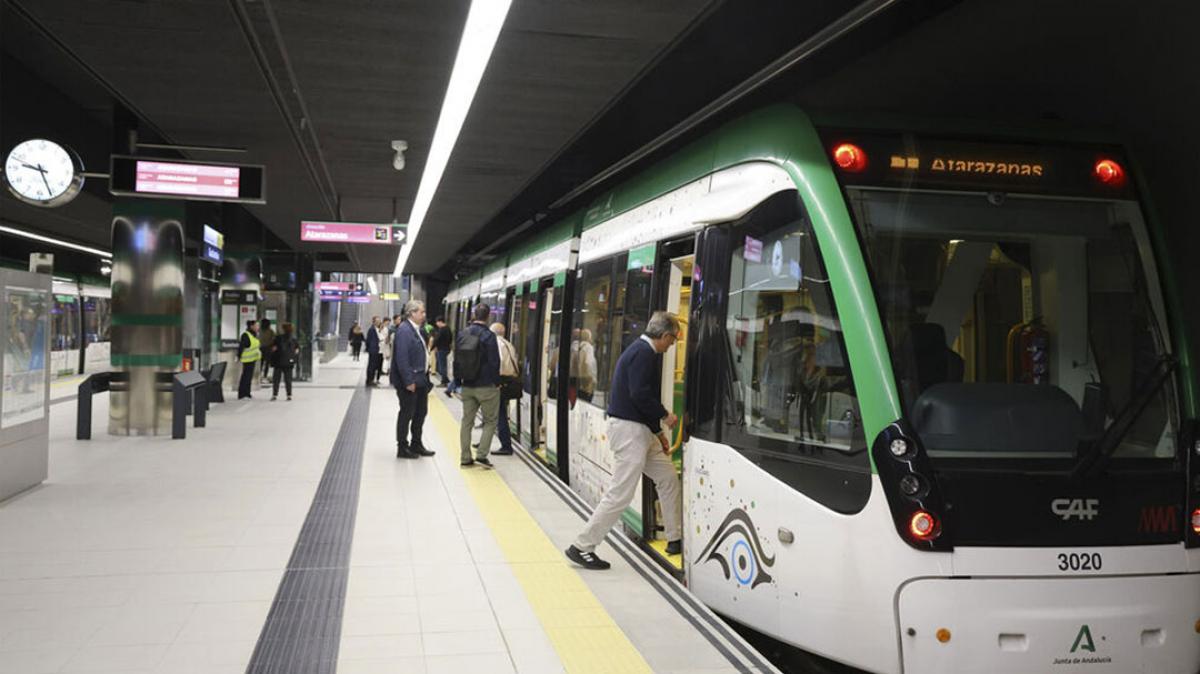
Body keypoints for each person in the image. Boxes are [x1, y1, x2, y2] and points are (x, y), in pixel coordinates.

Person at [565, 311, 683, 570]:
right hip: (630, 431)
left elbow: (639, 398)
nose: (671, 345)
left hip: (640, 429)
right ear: (663, 336)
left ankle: (674, 538)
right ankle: (582, 547)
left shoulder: (641, 351)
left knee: (667, 478)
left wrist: (659, 433)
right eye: (672, 340)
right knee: (620, 493)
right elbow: (640, 394)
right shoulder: (644, 353)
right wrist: (665, 417)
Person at [457, 304, 501, 467]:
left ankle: (465, 457)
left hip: (467, 385)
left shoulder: (463, 333)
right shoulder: (489, 336)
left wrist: (457, 381)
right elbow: (494, 362)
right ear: (488, 316)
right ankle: (482, 455)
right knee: (490, 421)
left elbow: (457, 359)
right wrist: (497, 383)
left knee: (467, 422)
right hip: (486, 386)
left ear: (474, 315)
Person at [391, 300, 435, 459]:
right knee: (407, 413)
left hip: (420, 379)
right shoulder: (404, 330)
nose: (424, 315)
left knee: (420, 412)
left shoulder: (417, 329)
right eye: (421, 312)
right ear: (412, 313)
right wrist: (408, 381)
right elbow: (402, 358)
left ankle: (416, 443)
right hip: (410, 382)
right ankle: (402, 447)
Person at [490, 322, 519, 456]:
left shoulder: (496, 344)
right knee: (496, 413)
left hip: (500, 382)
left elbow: (499, 363)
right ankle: (488, 440)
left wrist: (495, 381)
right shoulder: (508, 344)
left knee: (499, 414)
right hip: (508, 381)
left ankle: (506, 445)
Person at [271, 322, 300, 401]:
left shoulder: (278, 338)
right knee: (288, 379)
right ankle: (289, 395)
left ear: (283, 329)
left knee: (276, 379)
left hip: (278, 361)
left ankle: (275, 395)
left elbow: (273, 349)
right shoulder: (294, 339)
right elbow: (297, 350)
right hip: (288, 362)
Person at [237, 319, 261, 400]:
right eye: (256, 325)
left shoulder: (254, 335)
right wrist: (238, 357)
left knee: (249, 377)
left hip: (252, 359)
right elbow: (241, 347)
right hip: (247, 359)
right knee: (245, 377)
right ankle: (242, 394)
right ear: (251, 326)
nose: (258, 327)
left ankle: (247, 393)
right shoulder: (246, 335)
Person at [576, 328, 597, 403]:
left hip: (579, 377)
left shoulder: (579, 347)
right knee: (586, 401)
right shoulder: (588, 347)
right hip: (586, 378)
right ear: (589, 337)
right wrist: (592, 379)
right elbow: (588, 363)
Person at [432, 316, 453, 386]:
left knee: (442, 366)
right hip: (447, 349)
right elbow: (450, 339)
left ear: (440, 322)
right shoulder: (448, 329)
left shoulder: (442, 330)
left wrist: (432, 347)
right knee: (444, 365)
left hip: (441, 349)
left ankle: (444, 381)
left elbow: (437, 339)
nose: (437, 324)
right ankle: (445, 380)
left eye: (437, 322)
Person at [364, 316, 383, 386]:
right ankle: (369, 380)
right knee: (371, 366)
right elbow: (369, 340)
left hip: (376, 350)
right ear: (374, 322)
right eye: (377, 321)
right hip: (373, 350)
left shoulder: (377, 329)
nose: (378, 322)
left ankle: (371, 379)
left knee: (374, 366)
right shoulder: (372, 329)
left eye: (379, 321)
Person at [258, 319, 275, 383]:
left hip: (261, 348)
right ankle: (264, 376)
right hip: (268, 348)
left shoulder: (259, 331)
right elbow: (273, 339)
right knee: (266, 363)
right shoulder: (270, 331)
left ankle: (260, 376)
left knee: (261, 363)